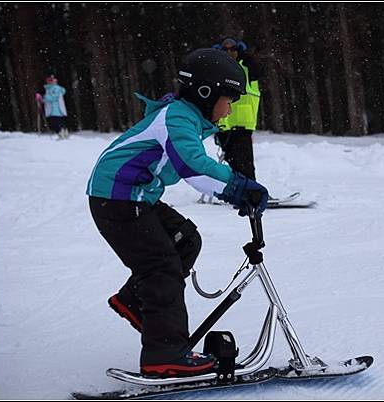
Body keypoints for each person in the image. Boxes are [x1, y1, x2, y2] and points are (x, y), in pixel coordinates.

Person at [86, 48, 269, 378]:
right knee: (161, 267)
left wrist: (236, 189)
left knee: (185, 241)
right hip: (118, 198)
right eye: (228, 99)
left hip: (132, 196)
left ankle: (137, 304)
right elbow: (193, 167)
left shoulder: (184, 116)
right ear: (206, 92)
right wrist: (240, 188)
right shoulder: (177, 118)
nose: (229, 109)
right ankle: (164, 355)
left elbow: (193, 166)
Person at [213, 37, 263, 180]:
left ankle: (251, 191)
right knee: (232, 160)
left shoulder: (248, 66)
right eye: (225, 50)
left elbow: (259, 71)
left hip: (243, 122)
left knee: (245, 162)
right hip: (223, 122)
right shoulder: (217, 68)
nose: (230, 53)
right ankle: (240, 190)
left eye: (233, 49)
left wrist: (249, 58)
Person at [38, 75, 69, 139]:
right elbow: (48, 98)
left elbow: (53, 98)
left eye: (51, 80)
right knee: (55, 122)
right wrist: (41, 99)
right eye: (48, 80)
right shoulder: (48, 89)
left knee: (56, 122)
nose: (50, 81)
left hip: (56, 109)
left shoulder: (56, 88)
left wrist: (43, 97)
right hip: (51, 110)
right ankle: (62, 133)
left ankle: (62, 133)